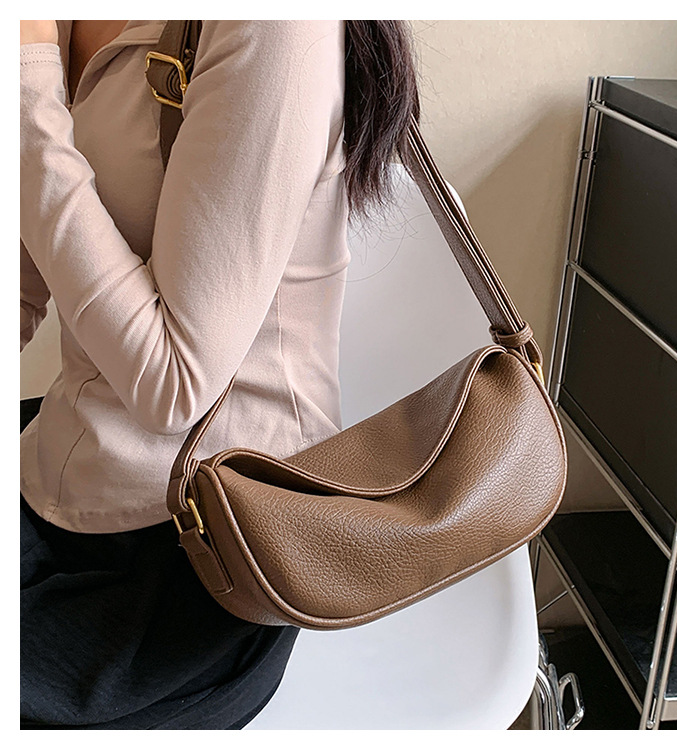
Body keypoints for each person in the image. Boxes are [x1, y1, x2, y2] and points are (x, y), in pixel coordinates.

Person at [20, 19, 420, 730]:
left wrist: (26, 97)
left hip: (202, 550)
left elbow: (175, 383)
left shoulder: (273, 29)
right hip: (59, 466)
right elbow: (27, 266)